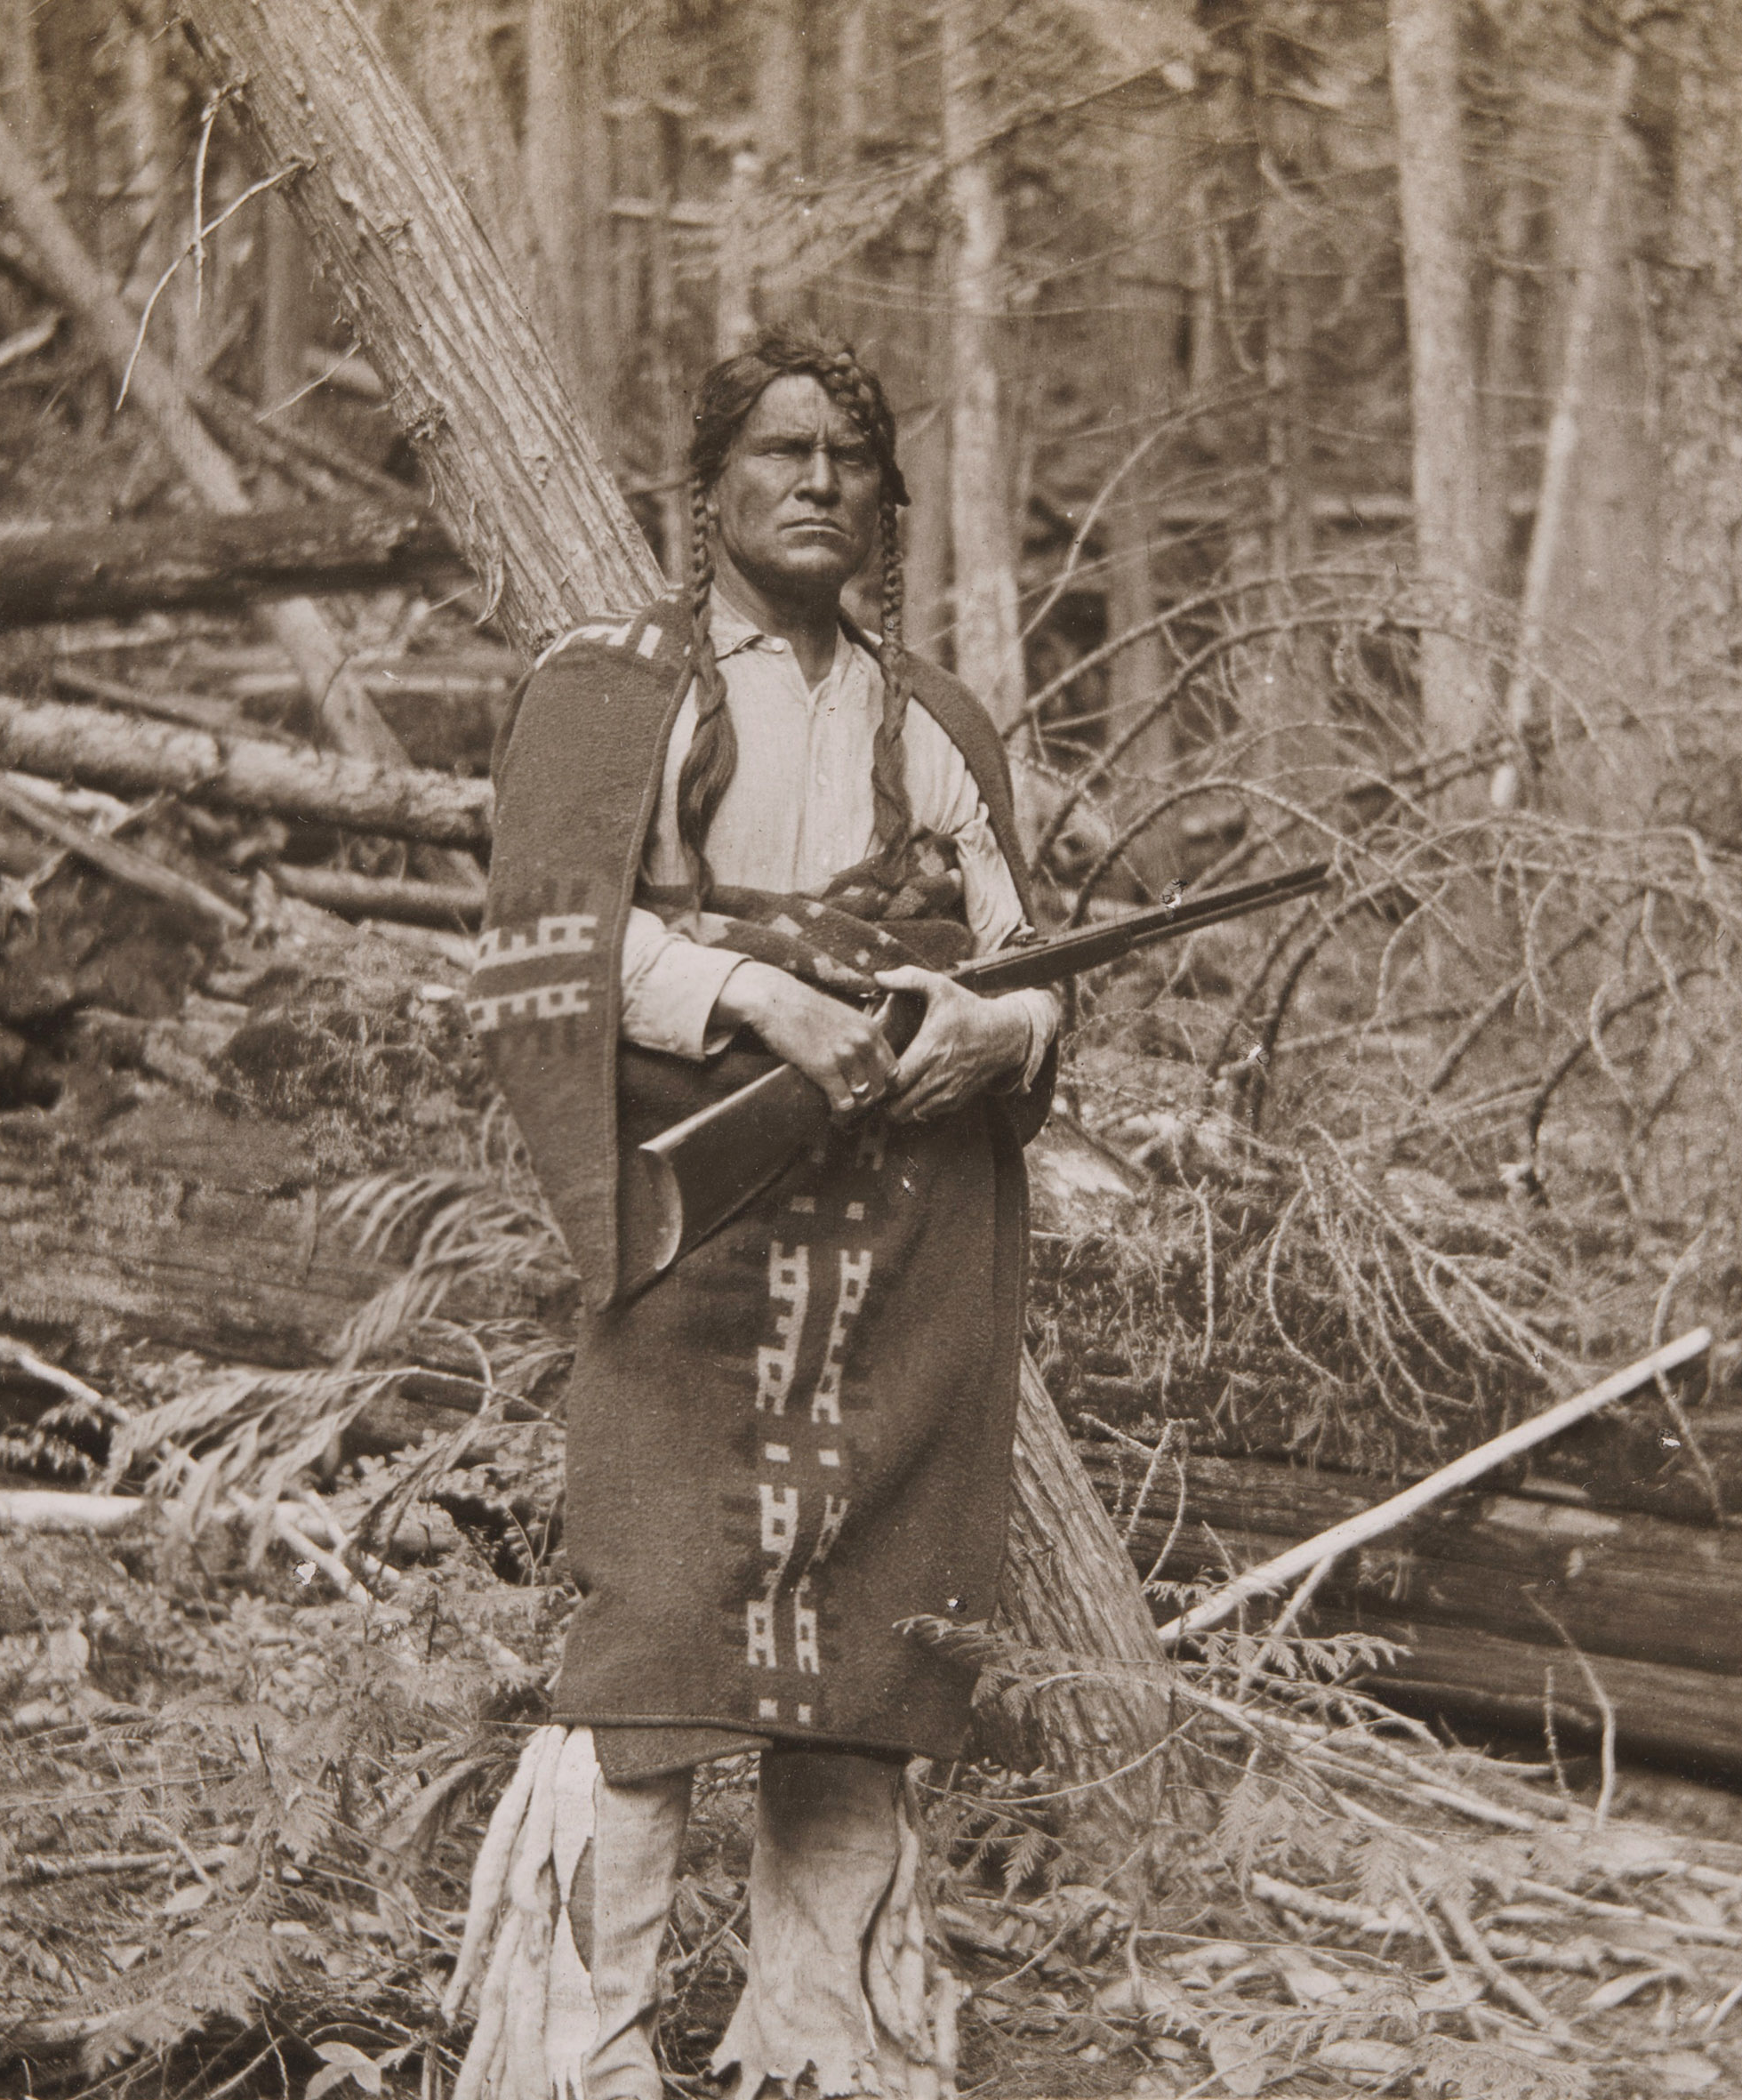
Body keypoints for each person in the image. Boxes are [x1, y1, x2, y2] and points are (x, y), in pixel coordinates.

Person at [457, 331, 1061, 2100]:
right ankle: (575, 2060)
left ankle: (827, 2050)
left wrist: (999, 1028)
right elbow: (545, 949)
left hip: (904, 1255)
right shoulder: (607, 698)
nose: (817, 480)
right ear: (709, 485)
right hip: (695, 1238)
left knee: (872, 1657)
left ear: (885, 501)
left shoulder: (933, 722)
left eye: (849, 457)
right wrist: (758, 993)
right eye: (781, 450)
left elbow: (1032, 964)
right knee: (649, 1649)